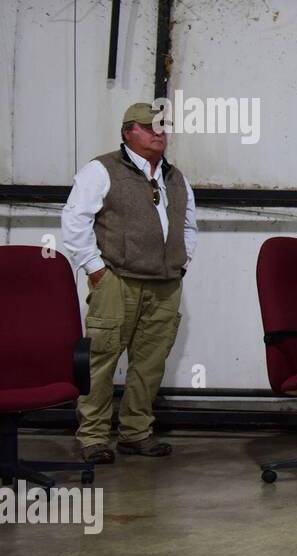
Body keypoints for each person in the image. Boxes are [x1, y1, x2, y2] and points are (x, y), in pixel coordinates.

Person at [61, 101, 197, 465]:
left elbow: (188, 226)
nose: (159, 133)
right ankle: (93, 437)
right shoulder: (101, 170)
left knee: (150, 363)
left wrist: (181, 263)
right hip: (117, 281)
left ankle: (136, 433)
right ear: (128, 132)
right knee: (101, 360)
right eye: (149, 126)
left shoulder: (174, 177)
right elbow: (75, 221)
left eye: (163, 127)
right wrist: (96, 270)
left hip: (166, 284)